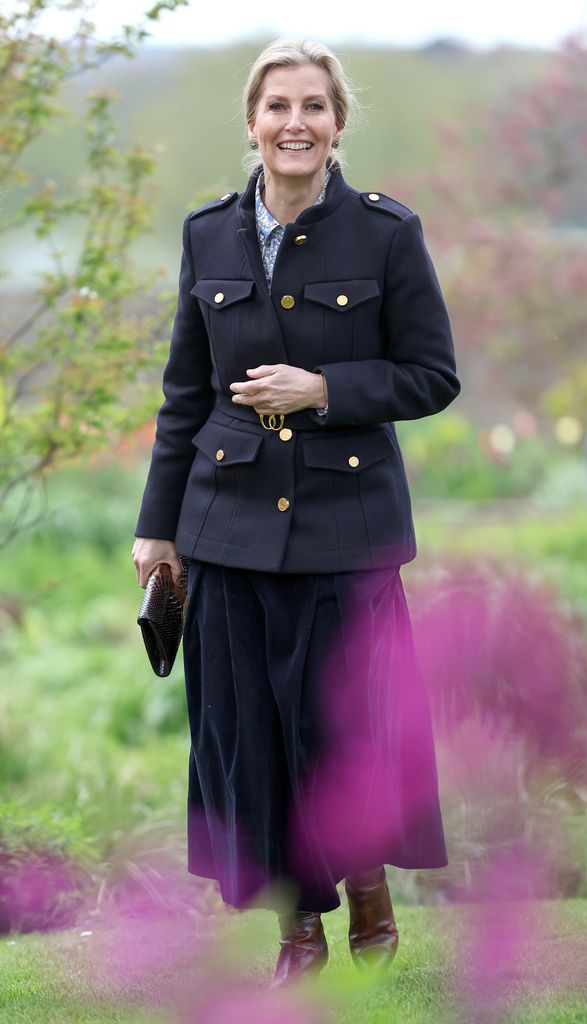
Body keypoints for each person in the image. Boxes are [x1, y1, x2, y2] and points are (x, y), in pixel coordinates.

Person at [132, 38, 460, 988]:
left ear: (337, 123)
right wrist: (158, 530)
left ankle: (366, 888)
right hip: (223, 524)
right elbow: (184, 397)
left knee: (343, 730)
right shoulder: (207, 236)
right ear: (251, 121)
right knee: (251, 736)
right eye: (278, 106)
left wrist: (324, 386)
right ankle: (297, 933)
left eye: (314, 106)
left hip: (343, 530)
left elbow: (432, 375)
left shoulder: (387, 234)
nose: (295, 123)